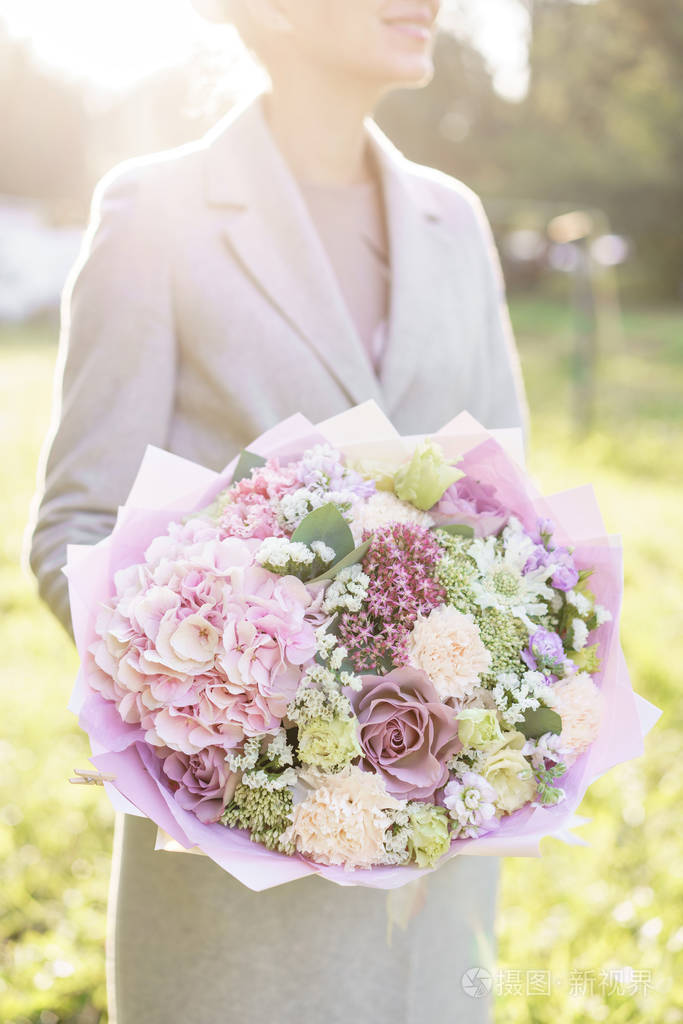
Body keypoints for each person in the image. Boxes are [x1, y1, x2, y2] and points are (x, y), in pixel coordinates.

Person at [28, 1, 528, 1021]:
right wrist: (232, 705)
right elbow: (73, 528)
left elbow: (512, 515)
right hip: (236, 886)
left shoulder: (454, 218)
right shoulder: (153, 210)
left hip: (436, 885)